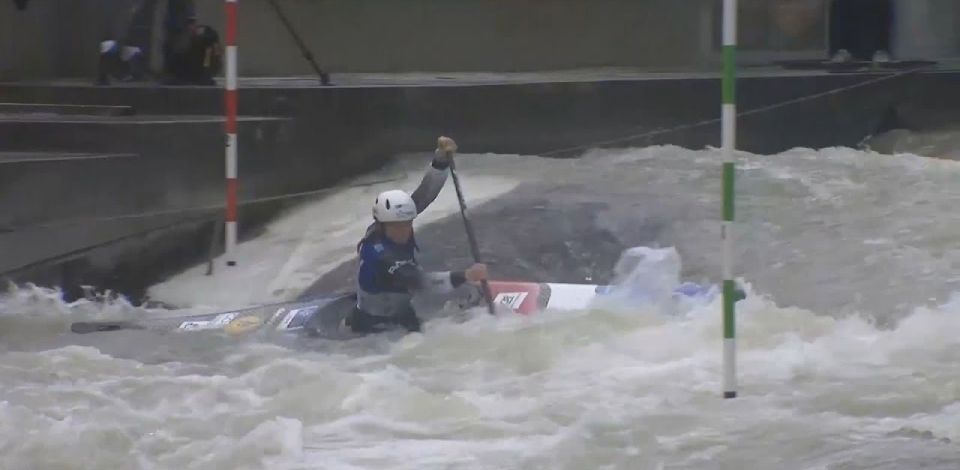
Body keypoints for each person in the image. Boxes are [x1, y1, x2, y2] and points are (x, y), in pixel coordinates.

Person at [341, 136, 489, 335]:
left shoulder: (387, 223)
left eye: (407, 224)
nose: (404, 230)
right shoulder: (381, 255)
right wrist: (466, 275)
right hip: (375, 326)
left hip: (403, 312)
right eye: (397, 226)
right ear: (383, 225)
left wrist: (441, 160)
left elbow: (423, 196)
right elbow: (422, 282)